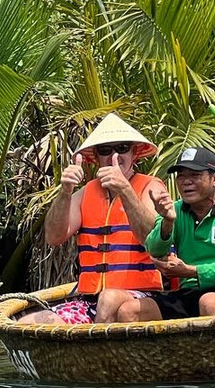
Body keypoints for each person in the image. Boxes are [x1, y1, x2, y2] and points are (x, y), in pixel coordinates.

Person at [20, 114, 166, 325]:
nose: (114, 155)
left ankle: (95, 343)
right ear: (96, 158)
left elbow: (153, 239)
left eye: (122, 148)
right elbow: (53, 237)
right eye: (105, 150)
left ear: (134, 153)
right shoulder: (85, 193)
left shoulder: (151, 186)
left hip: (142, 297)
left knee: (109, 298)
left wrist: (124, 189)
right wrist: (65, 191)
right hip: (91, 300)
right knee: (28, 322)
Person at [116, 148, 215, 321]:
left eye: (195, 175)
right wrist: (167, 222)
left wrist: (192, 271)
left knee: (209, 302)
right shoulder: (174, 209)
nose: (186, 182)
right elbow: (154, 250)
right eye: (181, 176)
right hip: (188, 292)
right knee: (128, 310)